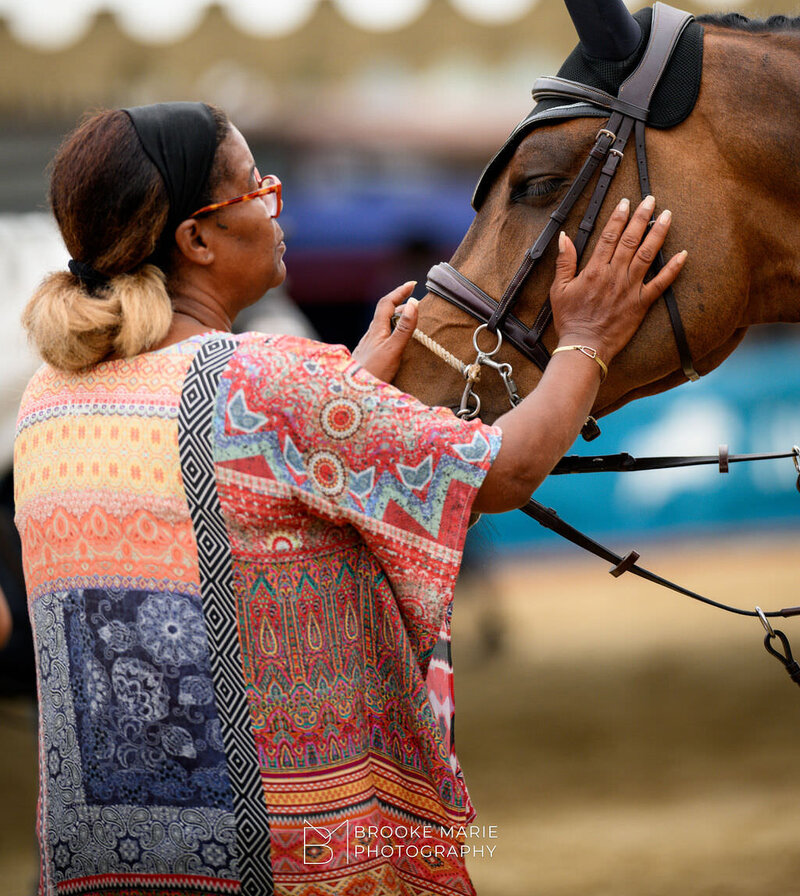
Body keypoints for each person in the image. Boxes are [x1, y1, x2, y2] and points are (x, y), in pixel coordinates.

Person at [15, 102, 685, 896]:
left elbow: (223, 491)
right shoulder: (271, 380)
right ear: (196, 239)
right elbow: (500, 471)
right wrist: (588, 338)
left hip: (103, 861)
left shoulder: (46, 399)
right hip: (293, 860)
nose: (276, 200)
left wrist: (349, 390)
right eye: (255, 189)